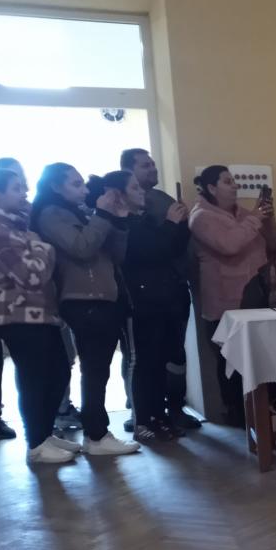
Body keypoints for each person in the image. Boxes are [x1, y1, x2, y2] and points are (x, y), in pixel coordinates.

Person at [31, 166, 141, 455]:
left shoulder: (81, 213)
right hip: (82, 299)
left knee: (98, 369)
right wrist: (102, 214)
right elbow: (82, 248)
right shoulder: (52, 215)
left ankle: (95, 433)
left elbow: (115, 256)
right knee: (94, 369)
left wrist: (118, 221)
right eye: (76, 184)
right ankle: (96, 435)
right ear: (56, 187)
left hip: (104, 297)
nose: (84, 190)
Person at [0, 168, 75, 464]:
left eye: (24, 186)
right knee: (35, 377)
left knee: (59, 371)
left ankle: (45, 432)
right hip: (18, 316)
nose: (25, 193)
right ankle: (37, 443)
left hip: (41, 313)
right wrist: (43, 247)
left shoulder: (18, 226)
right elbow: (31, 276)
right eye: (16, 188)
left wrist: (33, 242)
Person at [189, 166, 276, 424]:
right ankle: (236, 413)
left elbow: (273, 243)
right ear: (211, 188)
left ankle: (260, 411)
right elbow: (229, 245)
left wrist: (268, 218)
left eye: (234, 181)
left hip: (256, 298)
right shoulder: (201, 216)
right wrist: (255, 219)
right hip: (225, 302)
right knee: (231, 361)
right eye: (228, 182)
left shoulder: (245, 214)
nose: (235, 185)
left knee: (257, 358)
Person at [121, 148, 201, 431]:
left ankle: (173, 410)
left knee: (174, 353)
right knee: (144, 358)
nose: (153, 169)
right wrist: (170, 223)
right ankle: (142, 415)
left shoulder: (160, 199)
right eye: (145, 165)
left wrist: (182, 224)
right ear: (129, 173)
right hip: (143, 295)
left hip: (172, 289)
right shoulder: (125, 214)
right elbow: (149, 251)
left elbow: (173, 247)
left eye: (153, 164)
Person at [0, 156, 30, 441]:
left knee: (6, 362)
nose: (23, 191)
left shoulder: (19, 218)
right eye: (15, 186)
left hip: (12, 303)